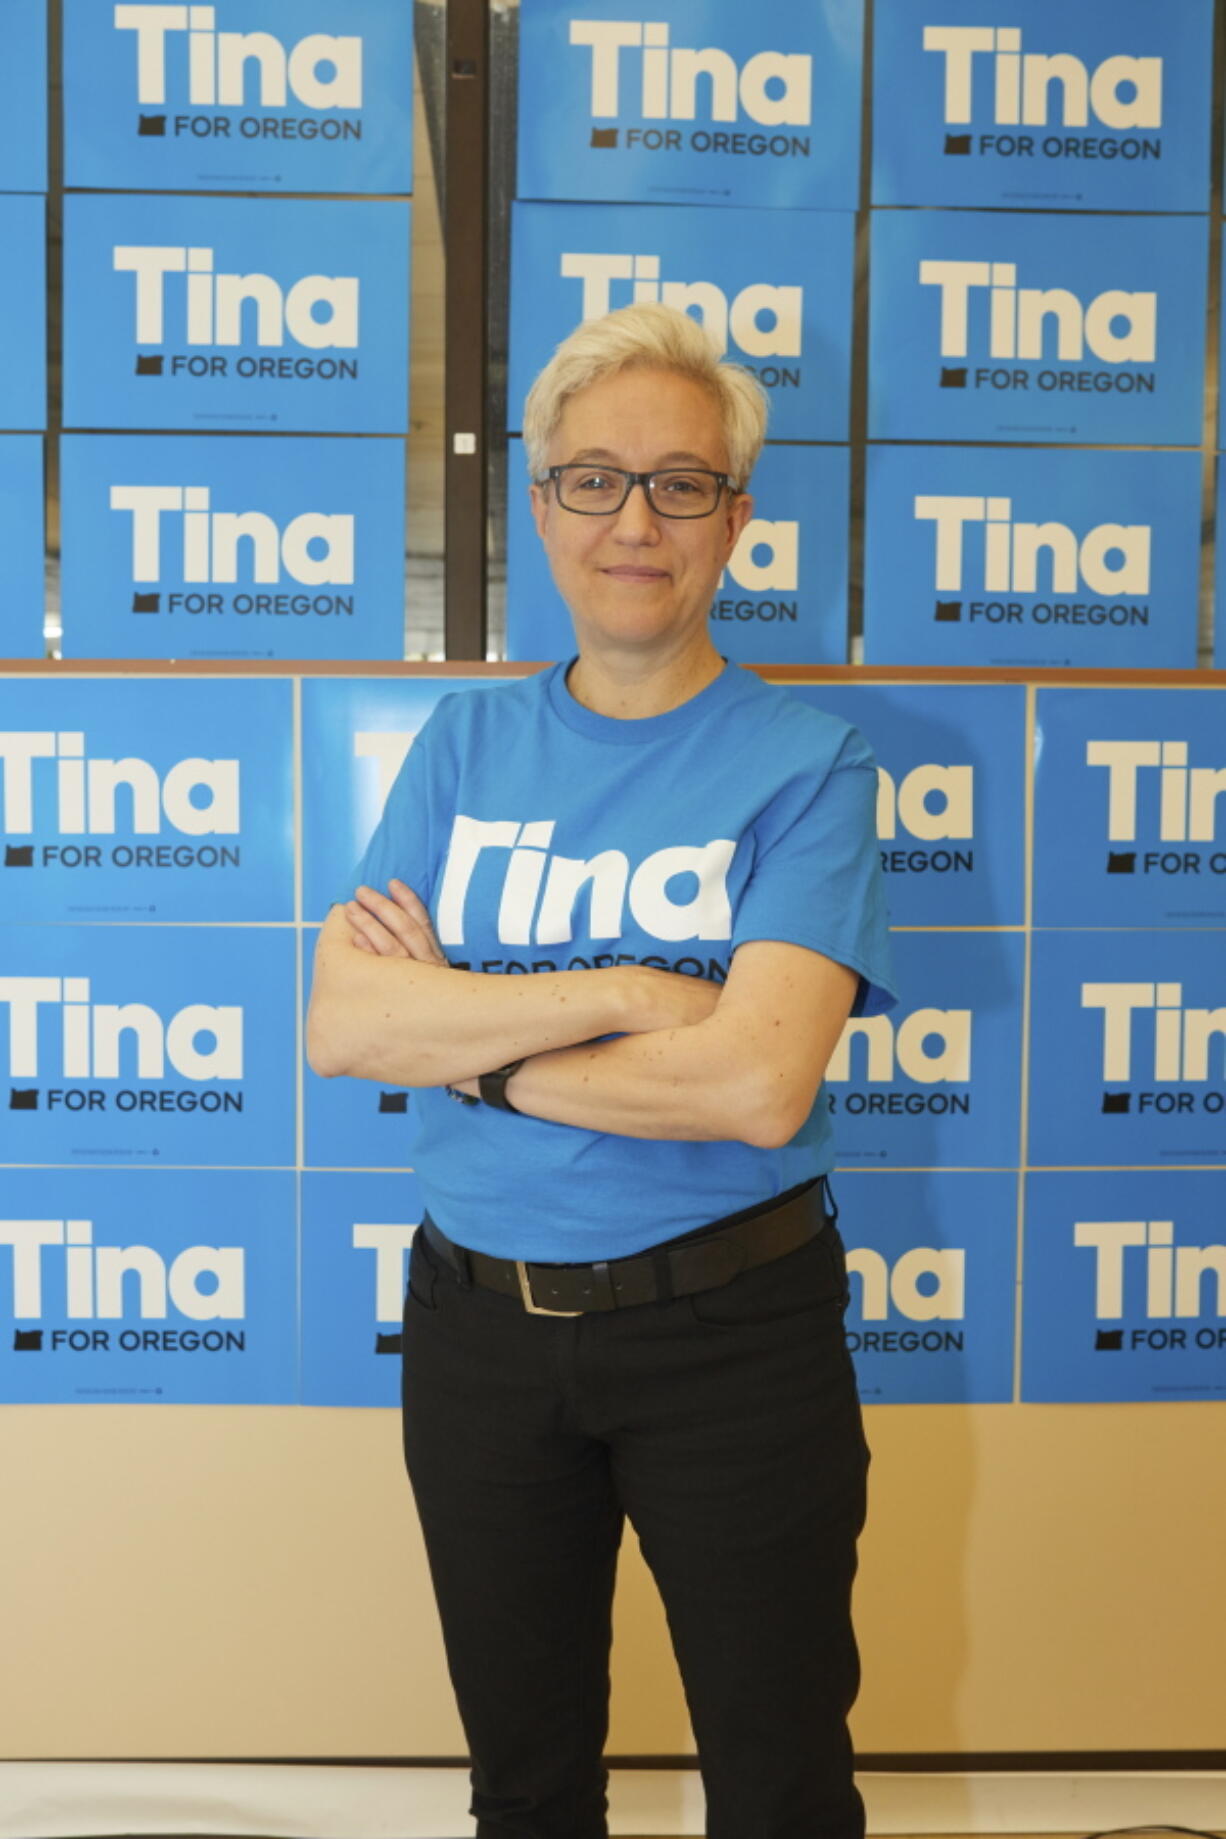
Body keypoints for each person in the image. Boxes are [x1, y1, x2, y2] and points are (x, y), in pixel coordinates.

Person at [307, 302, 898, 1839]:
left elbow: (753, 1089)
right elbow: (349, 1027)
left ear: (734, 518)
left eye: (679, 483)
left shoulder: (811, 764)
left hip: (733, 1339)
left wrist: (485, 1052)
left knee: (777, 1785)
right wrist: (631, 994)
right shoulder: (459, 746)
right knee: (526, 1783)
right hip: (477, 1337)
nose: (633, 520)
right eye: (593, 479)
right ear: (542, 501)